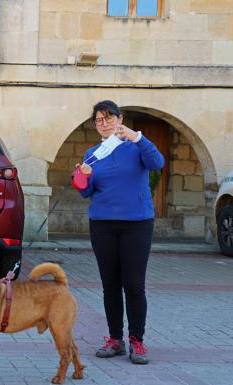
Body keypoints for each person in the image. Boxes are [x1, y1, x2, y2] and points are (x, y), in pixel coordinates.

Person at [75, 100, 164, 365]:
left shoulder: (135, 147)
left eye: (109, 118)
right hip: (102, 224)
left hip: (136, 224)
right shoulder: (92, 153)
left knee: (134, 285)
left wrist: (137, 137)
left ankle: (137, 340)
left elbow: (157, 162)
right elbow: (85, 191)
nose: (104, 124)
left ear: (119, 118)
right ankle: (115, 339)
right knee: (110, 286)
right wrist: (82, 177)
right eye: (99, 120)